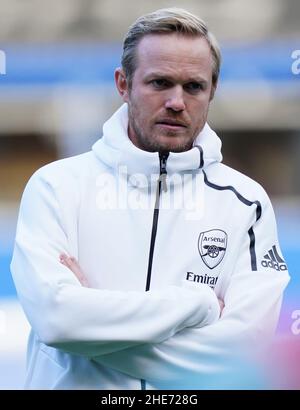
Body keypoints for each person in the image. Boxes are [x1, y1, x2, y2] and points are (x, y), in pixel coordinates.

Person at [11, 8, 289, 390]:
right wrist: (197, 306)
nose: (177, 102)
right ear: (122, 84)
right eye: (160, 83)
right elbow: (56, 320)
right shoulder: (56, 187)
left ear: (213, 90)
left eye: (193, 87)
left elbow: (241, 353)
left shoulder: (246, 204)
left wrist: (90, 329)